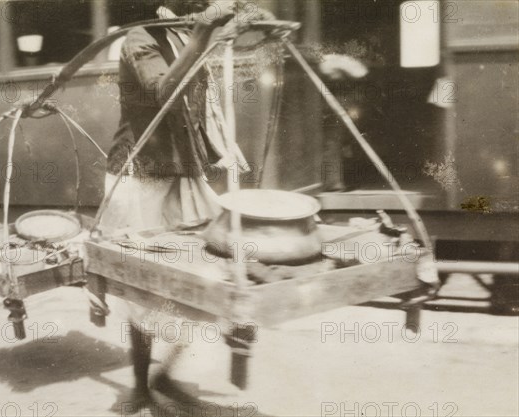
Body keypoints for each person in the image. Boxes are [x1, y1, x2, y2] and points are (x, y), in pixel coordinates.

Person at [99, 0, 368, 411]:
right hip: (139, 177)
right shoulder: (141, 38)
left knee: (205, 276)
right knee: (146, 285)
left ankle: (165, 372)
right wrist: (206, 30)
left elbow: (218, 52)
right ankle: (140, 386)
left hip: (184, 172)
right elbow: (164, 92)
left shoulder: (187, 33)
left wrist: (252, 21)